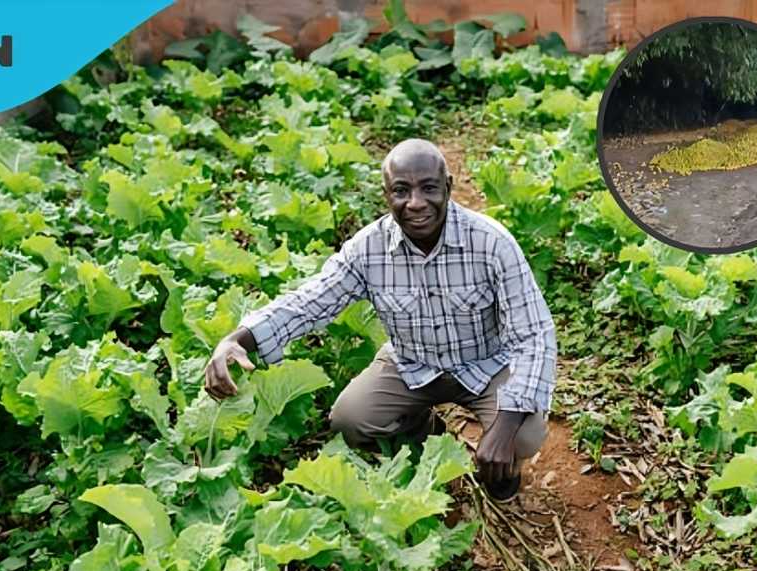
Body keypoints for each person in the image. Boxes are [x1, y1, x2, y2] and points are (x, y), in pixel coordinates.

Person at [203, 138, 557, 501]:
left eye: (429, 188)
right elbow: (310, 301)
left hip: (485, 367)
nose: (416, 203)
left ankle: (503, 470)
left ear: (448, 187)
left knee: (523, 433)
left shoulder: (492, 242)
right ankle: (424, 433)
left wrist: (505, 427)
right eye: (401, 191)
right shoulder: (367, 248)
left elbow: (534, 336)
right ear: (386, 194)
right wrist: (237, 339)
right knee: (350, 420)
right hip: (411, 365)